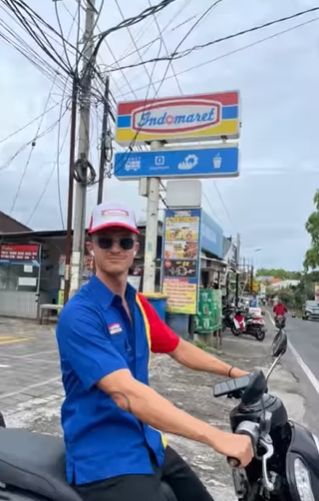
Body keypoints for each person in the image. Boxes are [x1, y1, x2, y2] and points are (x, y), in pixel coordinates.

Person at [56, 202, 253, 501]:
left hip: (146, 442)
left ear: (135, 247)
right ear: (90, 247)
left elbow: (179, 348)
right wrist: (215, 437)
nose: (115, 249)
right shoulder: (80, 315)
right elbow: (126, 394)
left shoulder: (137, 305)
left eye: (123, 241)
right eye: (105, 240)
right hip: (104, 457)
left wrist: (235, 373)